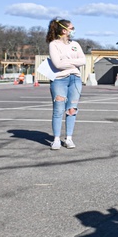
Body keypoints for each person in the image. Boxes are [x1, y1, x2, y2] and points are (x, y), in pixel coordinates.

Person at [47, 18, 87, 150]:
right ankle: (56, 139)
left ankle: (68, 138)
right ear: (64, 30)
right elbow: (57, 64)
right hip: (59, 80)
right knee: (58, 109)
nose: (73, 30)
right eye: (72, 28)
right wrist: (73, 62)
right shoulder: (54, 44)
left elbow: (83, 60)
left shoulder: (75, 44)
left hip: (75, 79)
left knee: (72, 109)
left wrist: (66, 61)